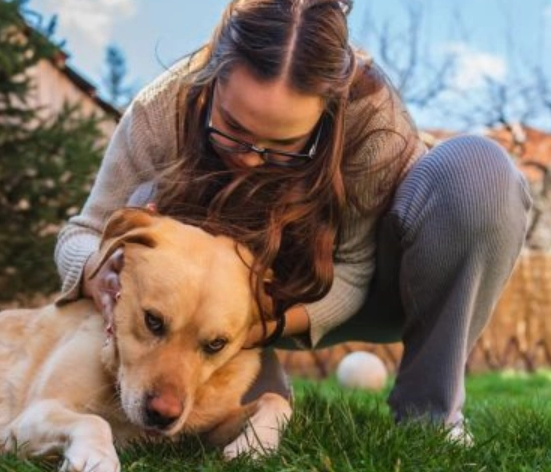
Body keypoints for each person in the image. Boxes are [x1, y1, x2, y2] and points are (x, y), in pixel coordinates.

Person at [54, 0, 532, 441]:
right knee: (146, 201)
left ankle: (432, 417)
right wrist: (100, 268)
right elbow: (82, 234)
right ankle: (235, 396)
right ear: (213, 78)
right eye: (234, 131)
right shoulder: (160, 110)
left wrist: (256, 325)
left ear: (327, 110)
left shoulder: (371, 113)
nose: (250, 161)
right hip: (214, 314)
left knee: (479, 173)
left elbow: (354, 274)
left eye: (283, 146)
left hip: (367, 290)